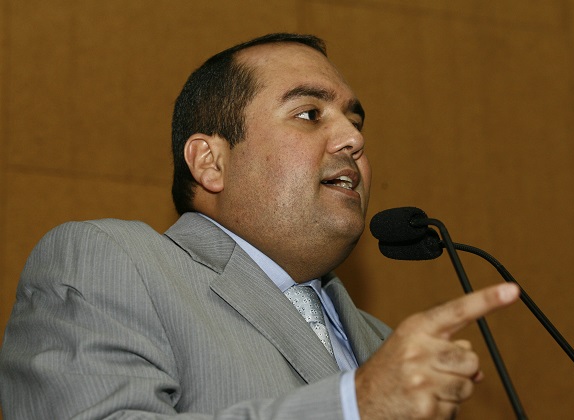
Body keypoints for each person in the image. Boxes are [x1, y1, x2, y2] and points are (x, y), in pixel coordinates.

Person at [0, 33, 519, 419]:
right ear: (211, 162)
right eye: (310, 114)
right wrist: (352, 405)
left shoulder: (385, 345)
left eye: (355, 121)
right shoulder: (111, 263)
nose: (353, 139)